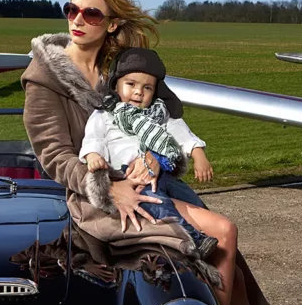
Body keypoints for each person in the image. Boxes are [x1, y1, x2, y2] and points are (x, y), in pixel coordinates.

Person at [22, 0, 302, 305]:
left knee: (222, 255)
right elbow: (54, 157)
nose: (77, 20)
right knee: (218, 259)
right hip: (100, 198)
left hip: (160, 182)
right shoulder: (46, 78)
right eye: (70, 9)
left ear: (111, 23)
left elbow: (172, 125)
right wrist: (107, 188)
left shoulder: (132, 64)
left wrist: (159, 155)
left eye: (90, 12)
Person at [80, 47, 222, 259]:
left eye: (147, 87)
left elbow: (180, 131)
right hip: (131, 176)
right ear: (116, 85)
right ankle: (193, 239)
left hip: (162, 171)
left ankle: (208, 229)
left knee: (190, 198)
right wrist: (93, 155)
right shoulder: (105, 115)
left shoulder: (158, 113)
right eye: (131, 84)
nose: (139, 92)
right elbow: (94, 137)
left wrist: (198, 153)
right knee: (158, 204)